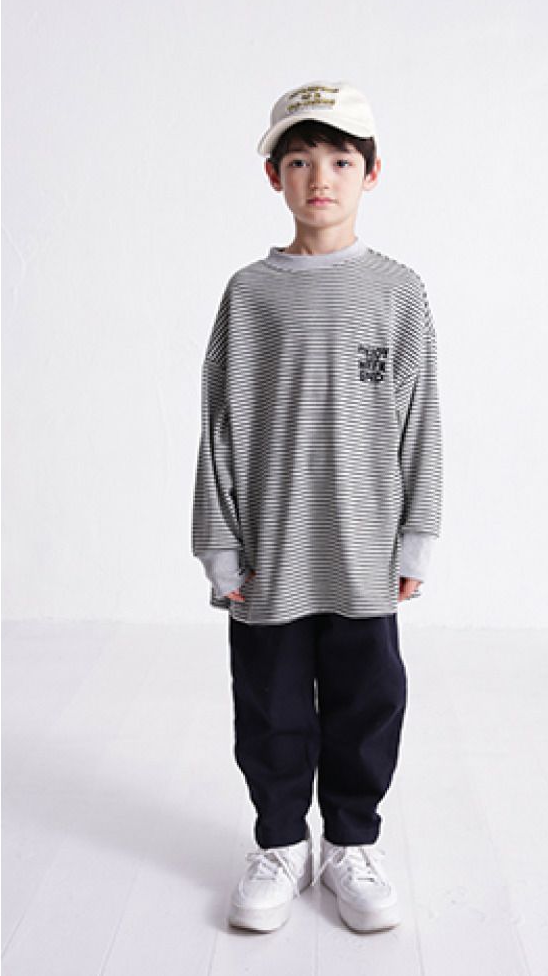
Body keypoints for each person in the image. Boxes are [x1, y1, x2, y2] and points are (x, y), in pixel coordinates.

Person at [190, 80, 443, 934]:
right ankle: (279, 844)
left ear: (372, 173)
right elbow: (217, 423)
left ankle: (350, 844)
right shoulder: (250, 293)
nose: (320, 178)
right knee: (269, 704)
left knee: (369, 697)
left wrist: (417, 535)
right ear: (275, 176)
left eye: (340, 160)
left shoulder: (397, 292)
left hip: (364, 546)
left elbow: (419, 418)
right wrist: (219, 544)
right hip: (271, 548)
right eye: (300, 161)